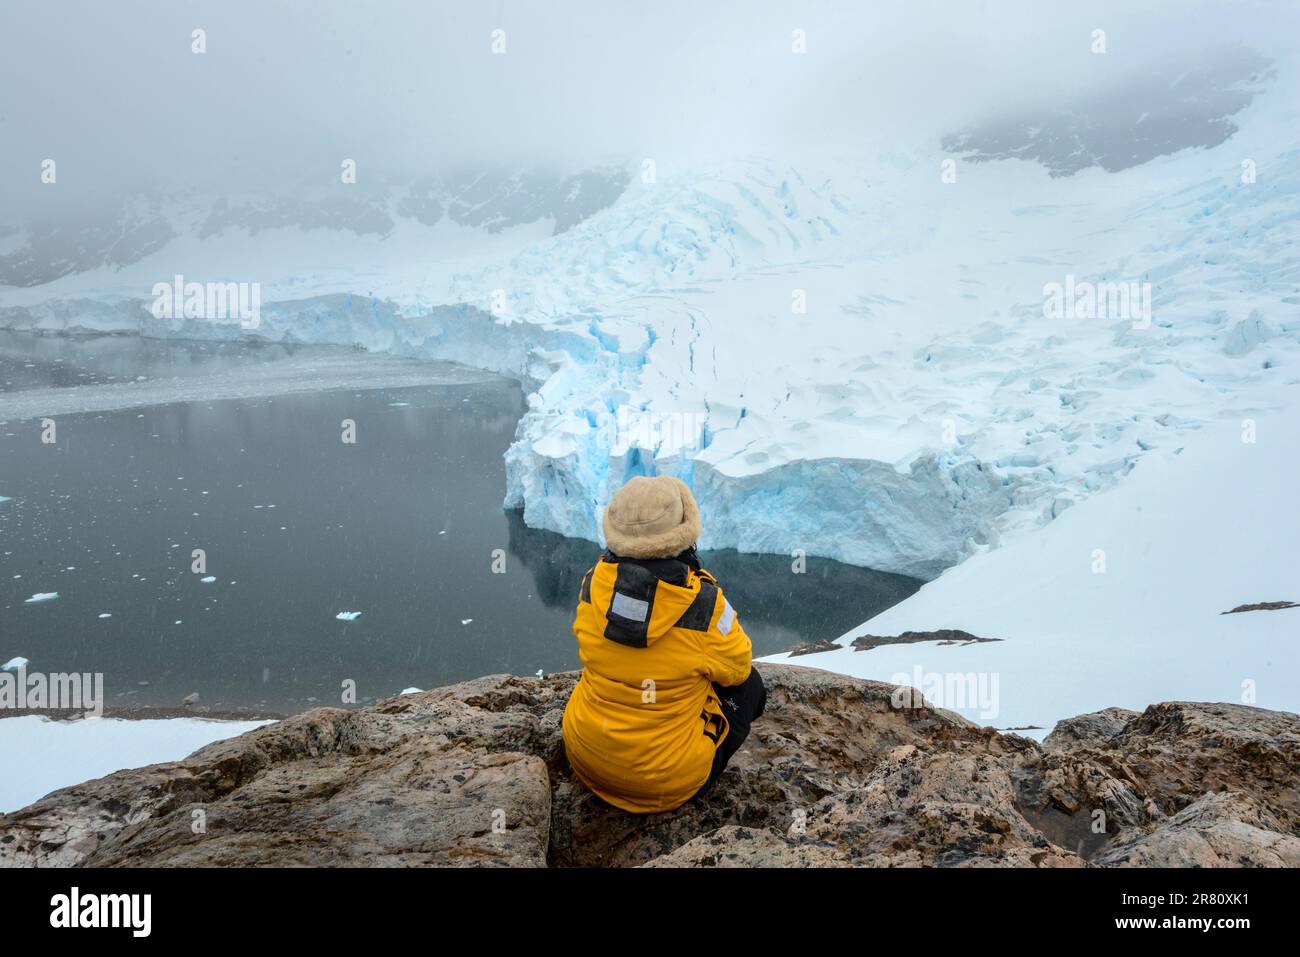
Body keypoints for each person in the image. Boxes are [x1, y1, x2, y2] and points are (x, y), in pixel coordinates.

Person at [561, 475, 767, 813]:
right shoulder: (704, 604)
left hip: (585, 758)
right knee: (750, 688)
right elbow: (739, 667)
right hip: (663, 784)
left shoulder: (592, 582)